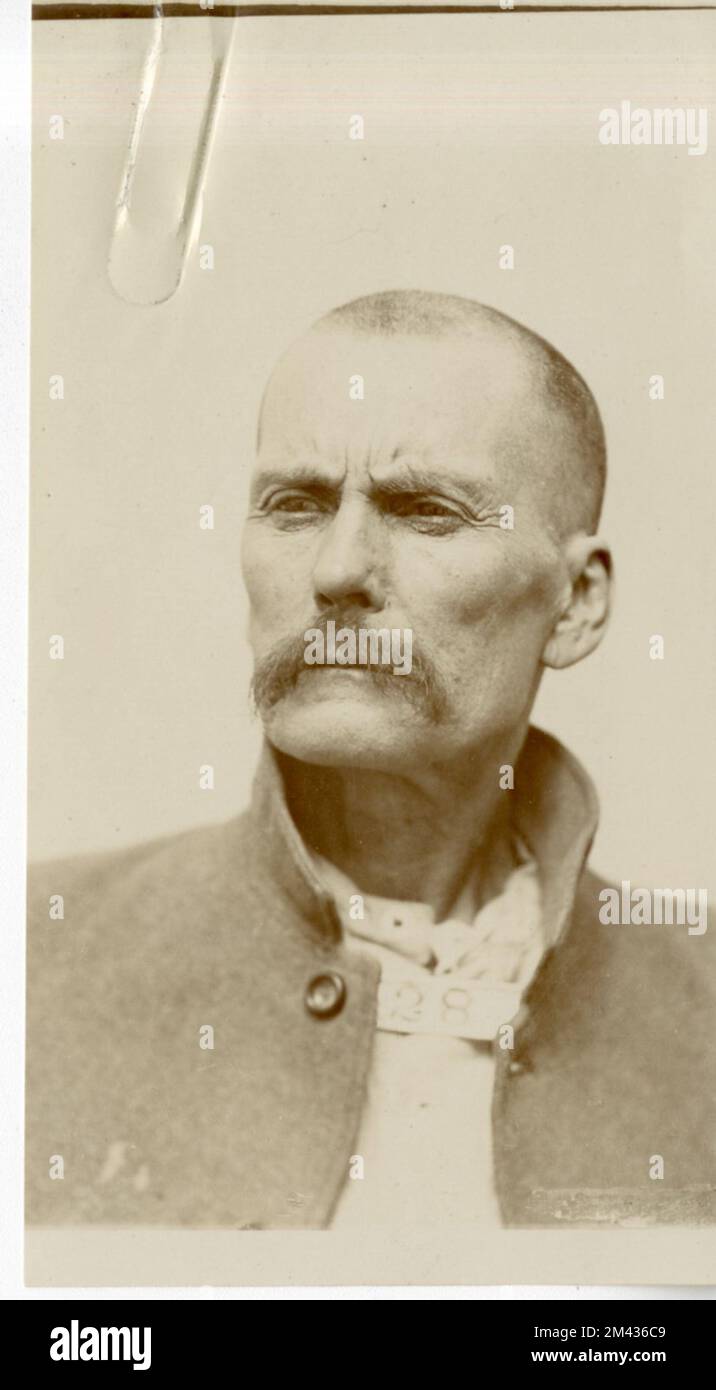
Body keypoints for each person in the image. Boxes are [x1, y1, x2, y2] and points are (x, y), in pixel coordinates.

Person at [26, 291, 715, 1230]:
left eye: (426, 511)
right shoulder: (33, 959)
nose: (337, 569)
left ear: (577, 603)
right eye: (295, 505)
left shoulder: (698, 1007)